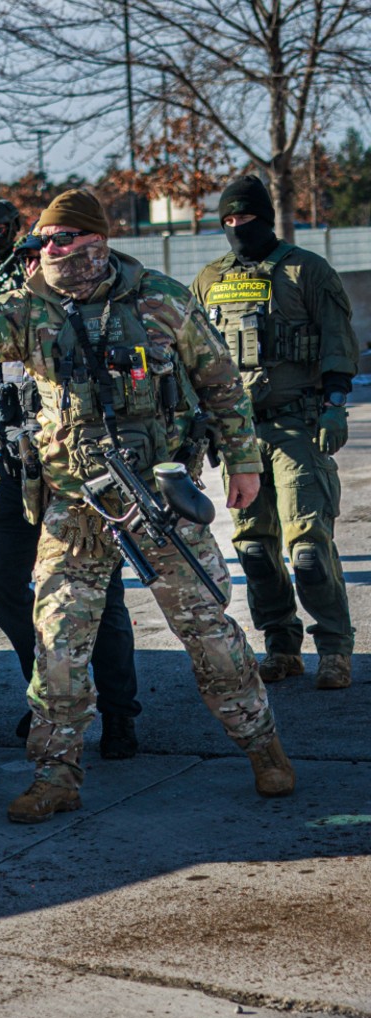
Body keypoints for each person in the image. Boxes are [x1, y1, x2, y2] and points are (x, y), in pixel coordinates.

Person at [0, 187, 295, 823]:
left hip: (158, 497)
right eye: (43, 243)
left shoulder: (161, 299)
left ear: (96, 241)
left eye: (63, 241)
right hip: (73, 505)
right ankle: (56, 774)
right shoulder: (30, 308)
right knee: (58, 644)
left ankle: (263, 747)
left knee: (209, 630)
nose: (51, 253)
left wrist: (244, 463)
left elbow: (222, 385)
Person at [0, 203, 143, 756]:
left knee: (100, 600)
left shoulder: (84, 315)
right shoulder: (9, 317)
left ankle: (119, 714)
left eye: (41, 255)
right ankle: (49, 695)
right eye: (29, 257)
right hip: (20, 479)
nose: (34, 266)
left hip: (81, 483)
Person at [192, 176, 355, 690]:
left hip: (298, 424)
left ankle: (333, 648)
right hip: (239, 437)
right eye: (229, 221)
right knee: (255, 548)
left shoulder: (308, 269)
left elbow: (337, 340)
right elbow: (194, 357)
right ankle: (281, 646)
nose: (238, 228)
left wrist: (334, 404)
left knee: (306, 545)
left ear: (267, 217)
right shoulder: (209, 280)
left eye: (246, 218)